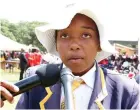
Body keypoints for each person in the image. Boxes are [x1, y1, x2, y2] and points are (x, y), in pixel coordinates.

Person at [0, 2, 140, 109]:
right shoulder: (35, 81)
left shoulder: (126, 90)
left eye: (86, 35)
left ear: (99, 44)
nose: (74, 44)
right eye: (65, 35)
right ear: (56, 43)